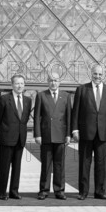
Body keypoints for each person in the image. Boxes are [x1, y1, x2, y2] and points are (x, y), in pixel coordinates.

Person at [71, 64, 106, 200]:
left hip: (103, 133)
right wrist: (75, 129)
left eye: (100, 74)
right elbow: (76, 112)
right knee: (84, 164)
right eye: (95, 74)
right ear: (91, 73)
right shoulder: (82, 89)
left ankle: (100, 192)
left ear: (104, 75)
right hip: (85, 132)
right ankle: (83, 192)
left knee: (101, 164)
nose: (97, 76)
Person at [33, 72, 72, 200]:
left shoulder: (66, 96)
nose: (53, 83)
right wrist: (37, 134)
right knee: (46, 165)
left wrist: (68, 135)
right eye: (51, 80)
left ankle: (59, 190)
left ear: (59, 81)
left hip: (60, 135)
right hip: (46, 135)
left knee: (59, 164)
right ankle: (44, 190)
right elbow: (37, 117)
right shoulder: (41, 95)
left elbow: (68, 117)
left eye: (56, 80)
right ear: (47, 81)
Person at [0, 74, 32, 200]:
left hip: (20, 139)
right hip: (7, 138)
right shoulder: (4, 99)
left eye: (22, 83)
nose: (20, 86)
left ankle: (14, 191)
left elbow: (24, 119)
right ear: (12, 85)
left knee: (17, 167)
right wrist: (4, 131)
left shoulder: (28, 100)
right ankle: (2, 192)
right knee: (4, 167)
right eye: (17, 83)